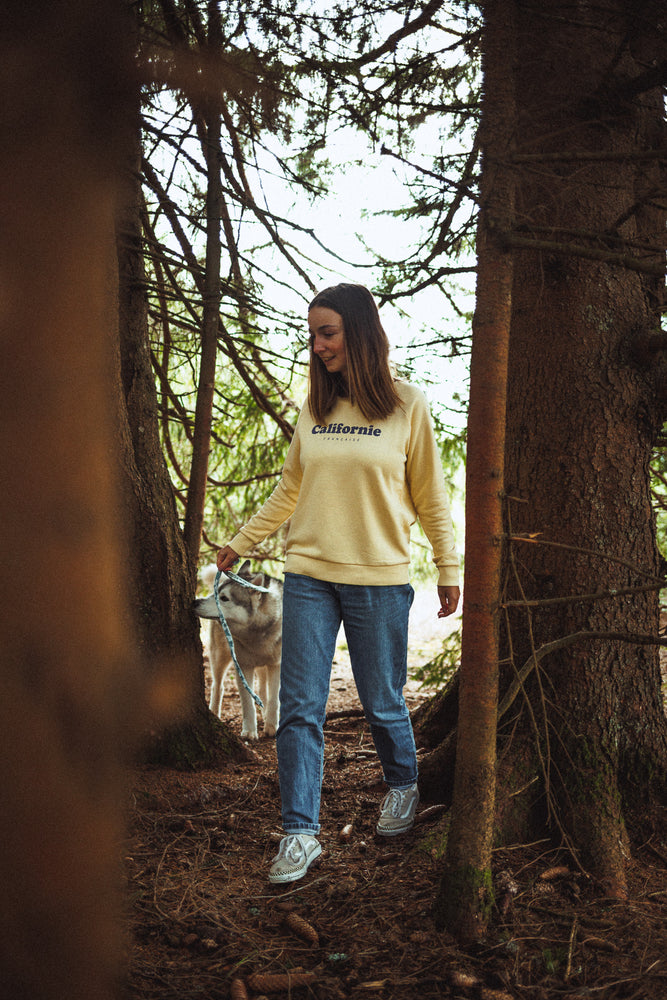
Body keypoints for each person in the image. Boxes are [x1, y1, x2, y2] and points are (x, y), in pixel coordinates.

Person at [216, 283, 460, 884]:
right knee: (301, 707)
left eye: (328, 332)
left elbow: (431, 496)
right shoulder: (315, 409)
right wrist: (241, 543)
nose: (317, 345)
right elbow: (290, 490)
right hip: (308, 577)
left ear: (359, 331)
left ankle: (403, 785)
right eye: (313, 334)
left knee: (382, 701)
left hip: (379, 577)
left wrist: (448, 566)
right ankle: (300, 833)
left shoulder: (408, 405)